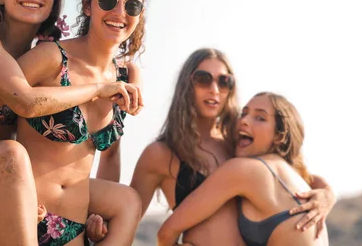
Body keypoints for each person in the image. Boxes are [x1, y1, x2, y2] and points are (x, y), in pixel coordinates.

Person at [0, 0, 142, 245]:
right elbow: (19, 102)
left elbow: (111, 153)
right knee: (10, 155)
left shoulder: (123, 75)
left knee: (128, 200)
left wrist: (96, 217)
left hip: (57, 211)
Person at [126, 49, 334, 246]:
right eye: (203, 79)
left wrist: (327, 195)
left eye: (224, 81)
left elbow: (300, 177)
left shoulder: (238, 145)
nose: (214, 89)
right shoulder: (162, 153)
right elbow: (128, 219)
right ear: (186, 85)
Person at [157, 92, 329, 246]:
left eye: (260, 118)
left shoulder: (242, 169)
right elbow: (316, 180)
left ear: (279, 135)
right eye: (244, 113)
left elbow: (166, 233)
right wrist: (328, 193)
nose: (244, 121)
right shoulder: (294, 176)